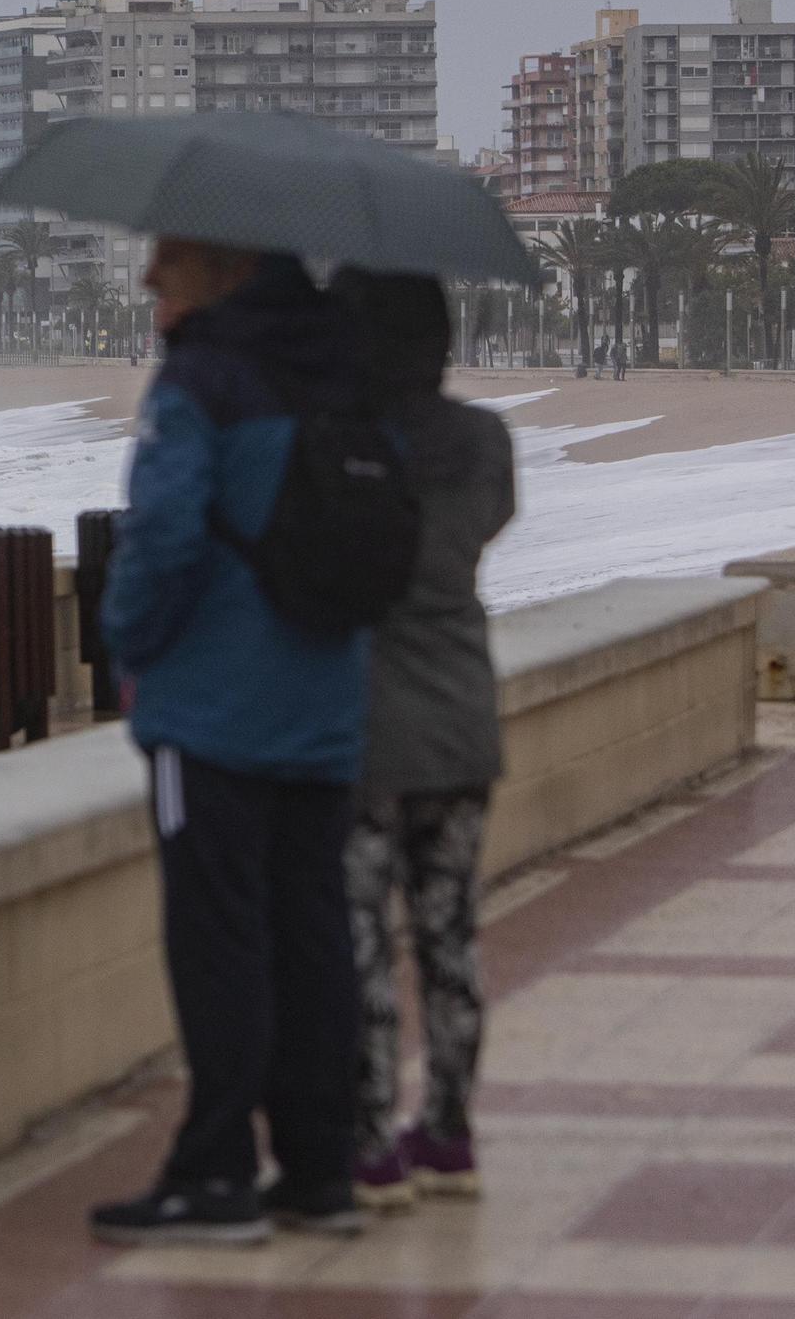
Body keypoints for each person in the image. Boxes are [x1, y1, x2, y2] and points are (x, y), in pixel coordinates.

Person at [90, 240, 369, 1247]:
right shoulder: (342, 367)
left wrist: (124, 644)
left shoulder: (199, 380)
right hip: (323, 705)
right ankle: (317, 1168)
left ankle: (213, 1174)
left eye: (166, 257)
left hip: (211, 710)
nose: (146, 277)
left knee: (218, 942)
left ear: (223, 268)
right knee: (310, 938)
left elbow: (159, 538)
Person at [327, 269, 515, 1213]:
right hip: (461, 710)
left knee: (362, 938)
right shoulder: (484, 442)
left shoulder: (350, 445)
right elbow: (487, 523)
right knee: (449, 933)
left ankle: (367, 1140)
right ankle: (448, 1128)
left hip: (366, 724)